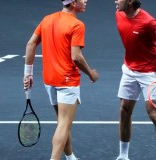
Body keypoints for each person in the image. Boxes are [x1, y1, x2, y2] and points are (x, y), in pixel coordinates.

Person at [23, 0, 99, 160]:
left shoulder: (47, 19)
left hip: (49, 79)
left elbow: (30, 44)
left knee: (62, 123)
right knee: (64, 125)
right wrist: (90, 73)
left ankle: (71, 157)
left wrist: (28, 74)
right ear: (73, 3)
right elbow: (76, 57)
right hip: (67, 81)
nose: (85, 1)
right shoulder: (77, 25)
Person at [114, 0, 156, 160]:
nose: (115, 0)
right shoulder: (119, 14)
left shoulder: (148, 22)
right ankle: (123, 155)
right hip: (129, 70)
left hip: (150, 72)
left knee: (154, 114)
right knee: (124, 110)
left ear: (130, 1)